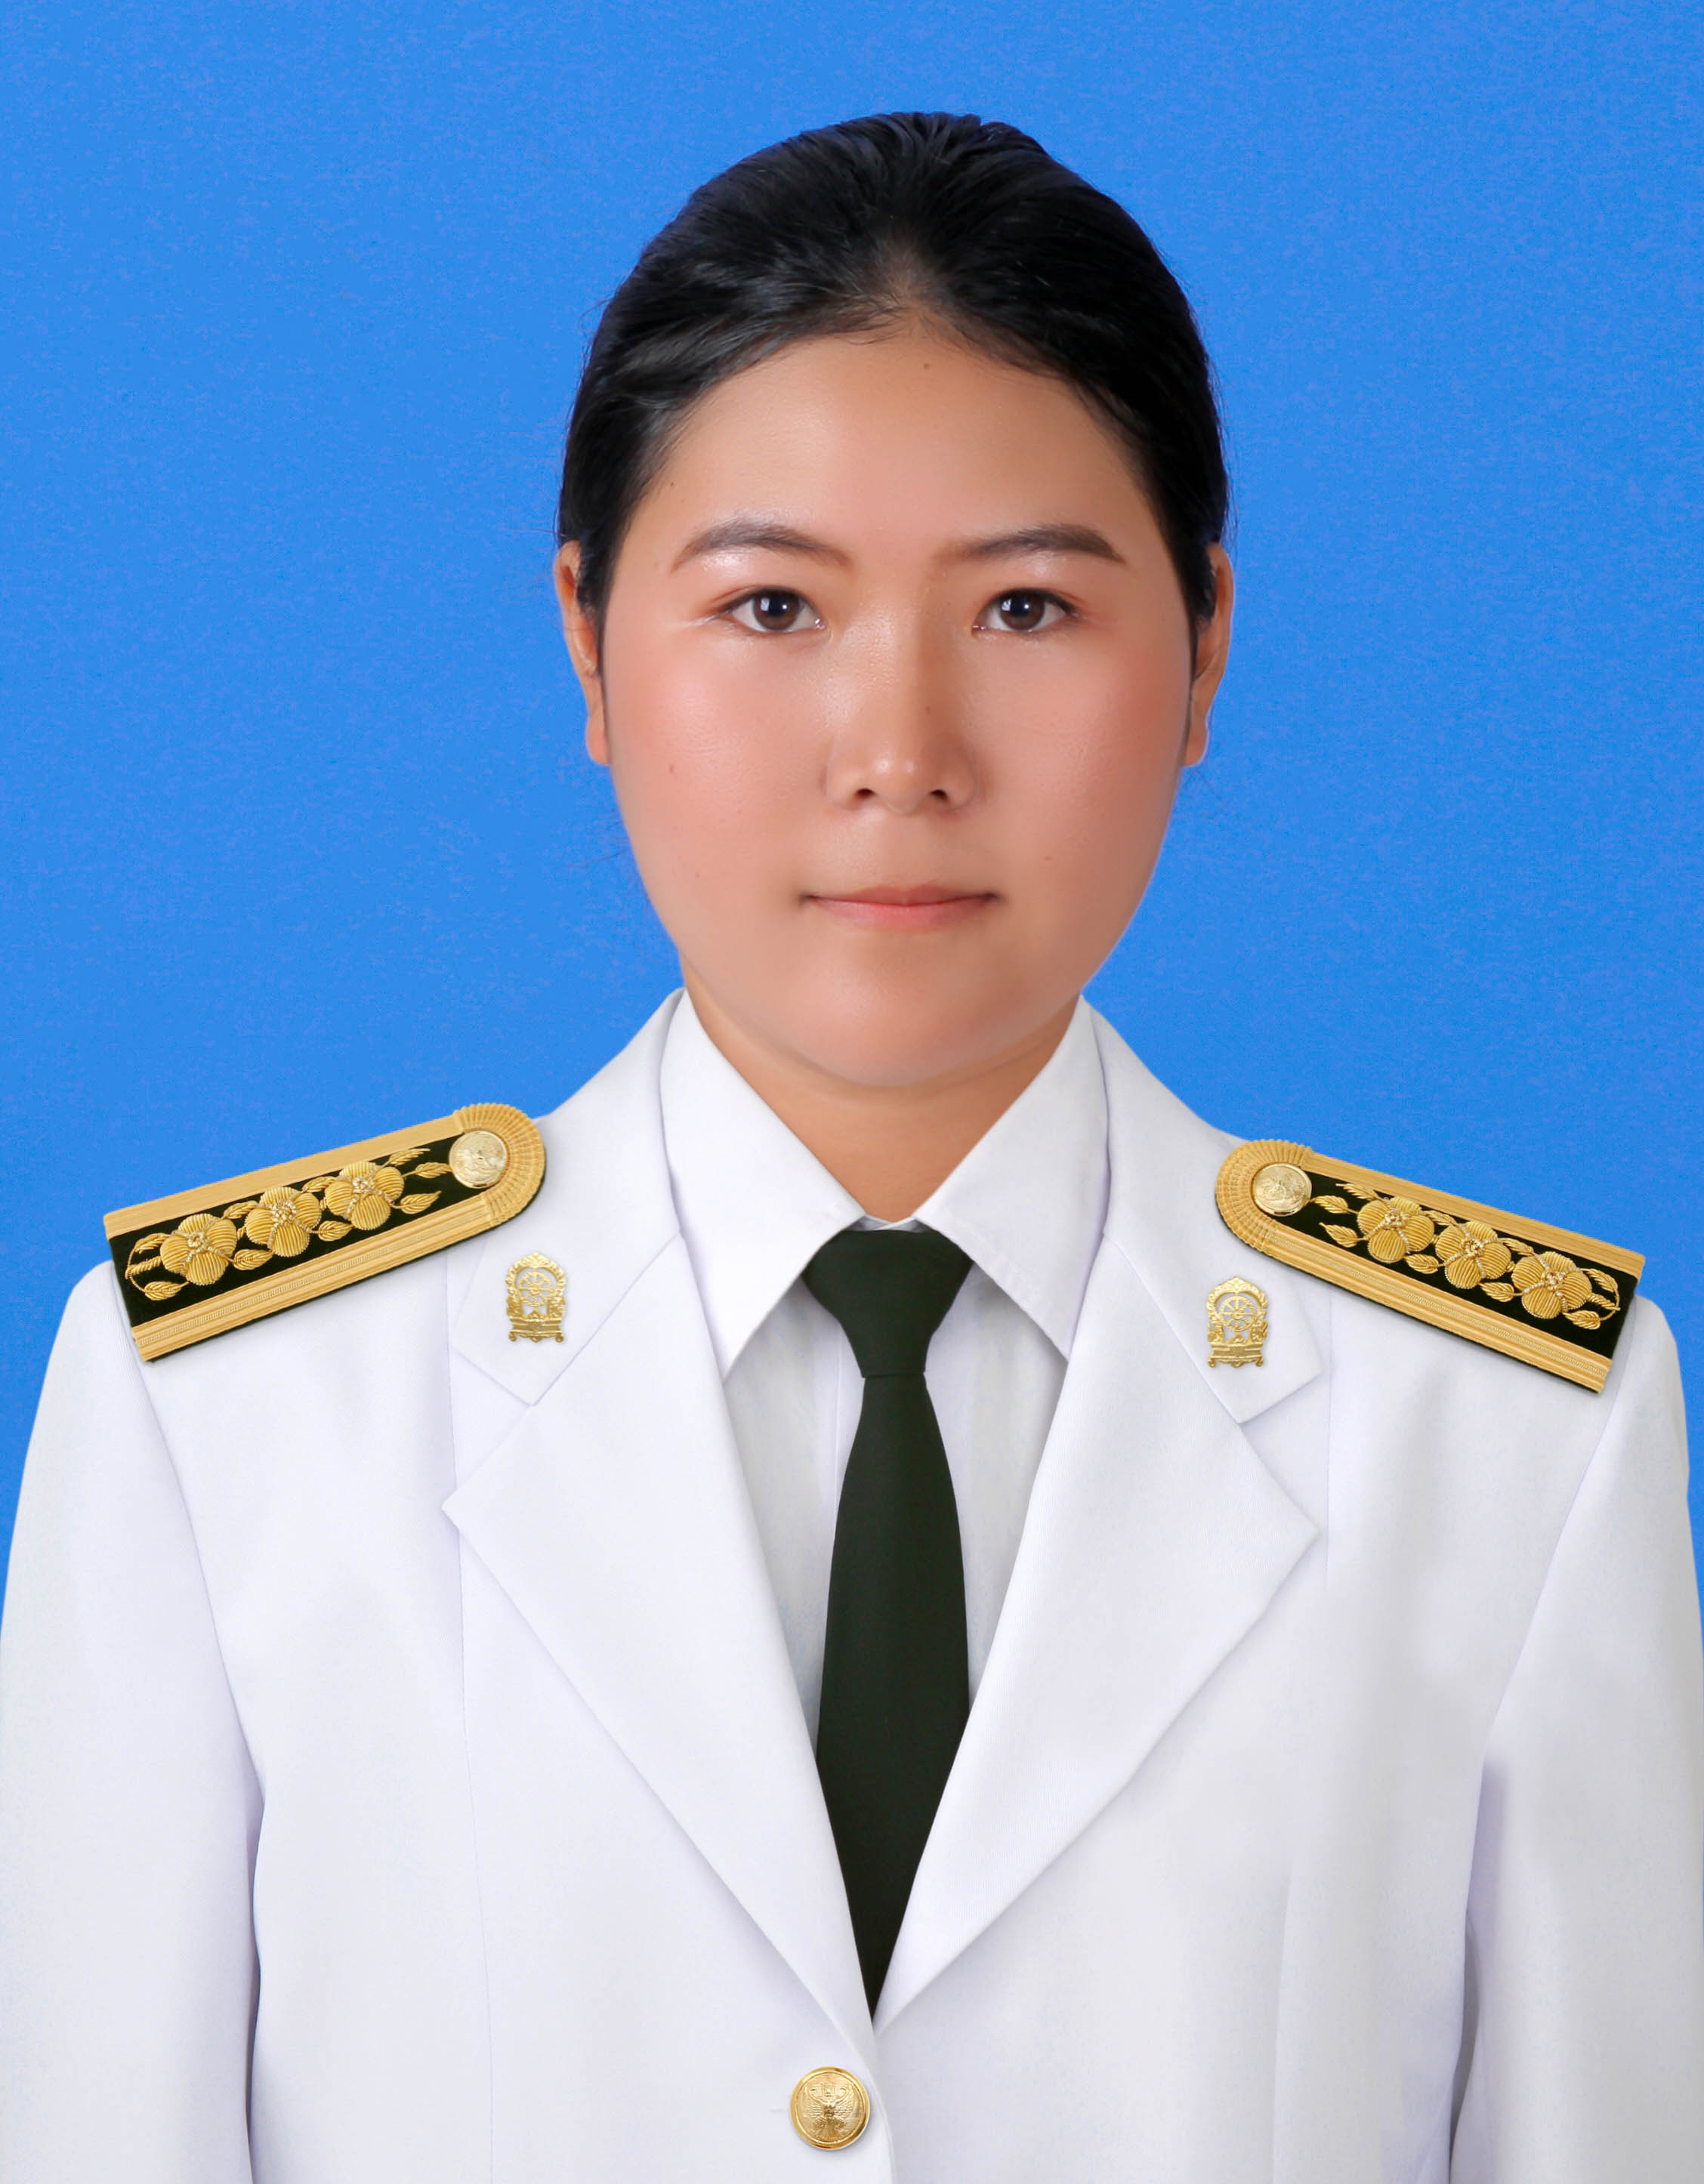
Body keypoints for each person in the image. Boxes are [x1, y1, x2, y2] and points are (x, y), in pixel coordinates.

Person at [1, 111, 1699, 2182]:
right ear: (588, 640)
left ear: (1206, 649)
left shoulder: (1506, 1435)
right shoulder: (229, 1412)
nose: (901, 753)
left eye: (1027, 610)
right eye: (774, 606)